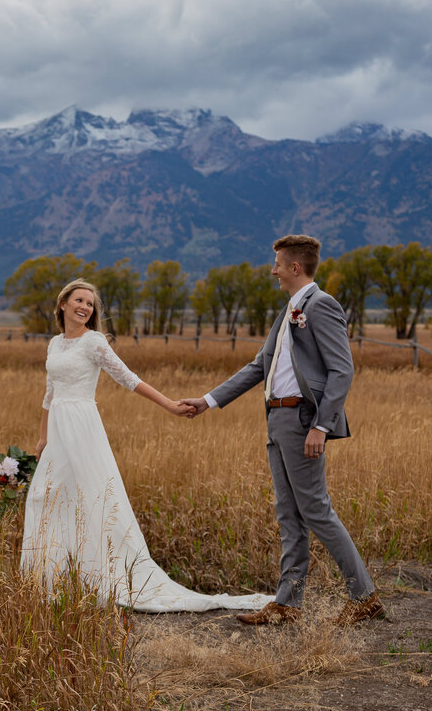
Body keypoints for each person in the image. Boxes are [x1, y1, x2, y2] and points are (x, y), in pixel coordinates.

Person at [20, 278, 272, 613]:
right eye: (79, 301)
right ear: (63, 303)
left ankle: (102, 570)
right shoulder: (54, 344)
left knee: (90, 497)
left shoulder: (94, 342)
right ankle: (54, 575)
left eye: (90, 304)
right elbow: (49, 395)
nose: (85, 307)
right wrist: (42, 437)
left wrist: (168, 404)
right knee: (48, 496)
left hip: (82, 425)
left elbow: (128, 377)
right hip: (57, 429)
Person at [179, 235, 384, 626]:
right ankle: (288, 604)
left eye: (277, 264)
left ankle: (365, 596)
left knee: (316, 509)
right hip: (277, 419)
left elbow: (343, 370)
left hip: (304, 420)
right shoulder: (288, 311)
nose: (272, 270)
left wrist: (321, 426)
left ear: (294, 267)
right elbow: (259, 368)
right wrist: (208, 401)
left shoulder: (321, 305)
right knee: (289, 513)